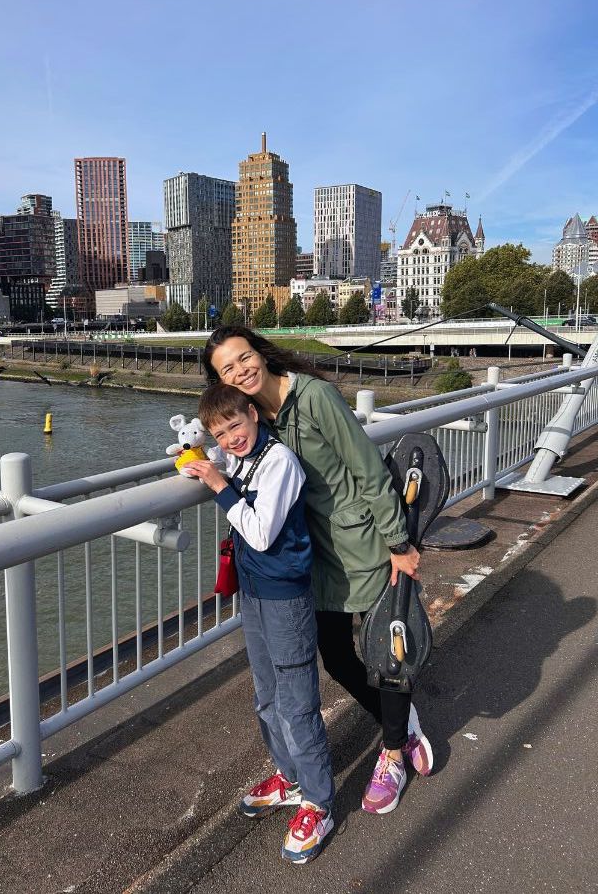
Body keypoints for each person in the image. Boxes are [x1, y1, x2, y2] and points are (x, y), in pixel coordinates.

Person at [202, 327, 433, 816]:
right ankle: (401, 724)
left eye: (244, 358)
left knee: (385, 653)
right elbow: (232, 451)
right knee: (334, 653)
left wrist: (398, 543)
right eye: (228, 368)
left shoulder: (314, 397)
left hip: (361, 544)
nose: (240, 370)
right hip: (315, 556)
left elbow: (368, 468)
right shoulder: (252, 417)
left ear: (259, 354)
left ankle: (392, 754)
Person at [183, 383, 335, 864]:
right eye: (220, 433)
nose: (231, 438)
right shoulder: (240, 459)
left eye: (236, 426)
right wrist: (202, 461)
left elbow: (262, 532)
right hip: (254, 592)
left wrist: (217, 485)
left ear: (255, 414)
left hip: (285, 597)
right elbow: (223, 467)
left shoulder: (280, 462)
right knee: (266, 694)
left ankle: (320, 801)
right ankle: (290, 777)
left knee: (297, 702)